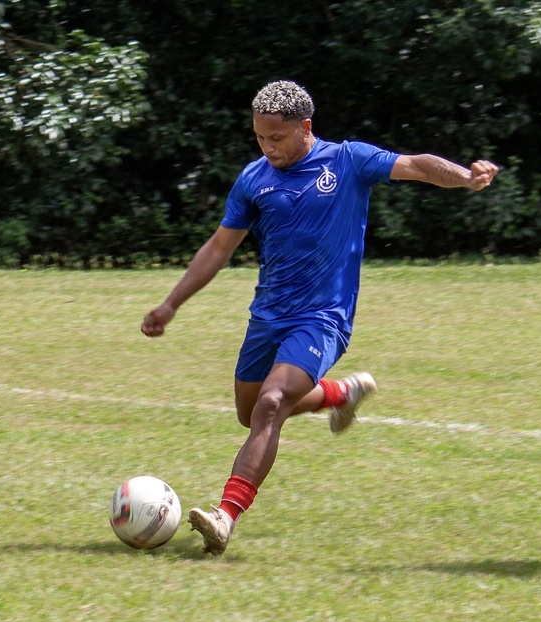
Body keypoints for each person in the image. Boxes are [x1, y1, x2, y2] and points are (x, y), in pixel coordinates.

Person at [142, 80, 499, 555]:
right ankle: (341, 393)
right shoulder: (254, 179)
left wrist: (466, 177)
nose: (268, 148)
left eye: (277, 138)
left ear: (304, 128)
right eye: (260, 138)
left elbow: (416, 165)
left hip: (322, 318)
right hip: (267, 317)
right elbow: (219, 247)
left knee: (271, 404)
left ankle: (225, 516)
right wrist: (172, 303)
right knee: (250, 413)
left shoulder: (348, 160)